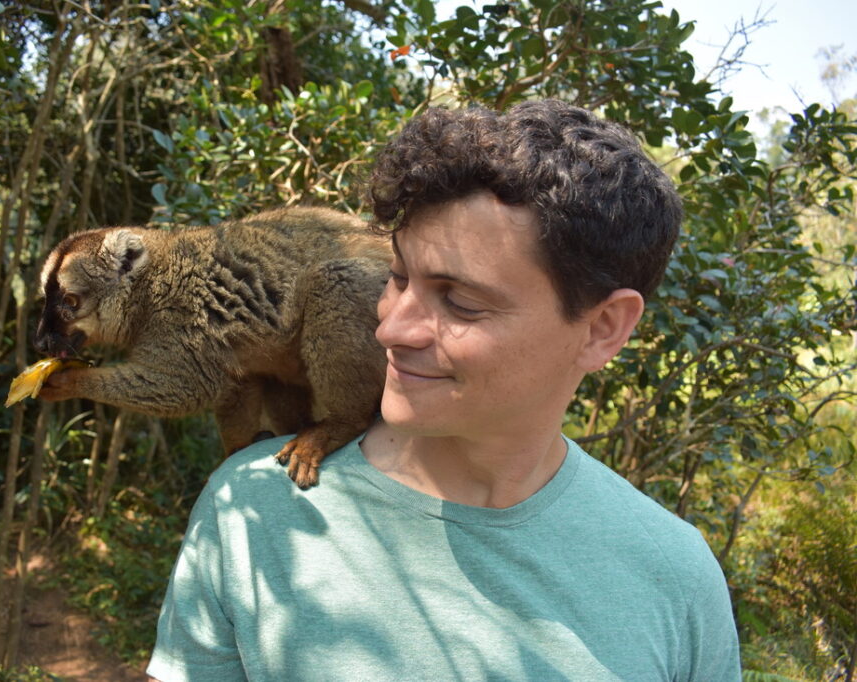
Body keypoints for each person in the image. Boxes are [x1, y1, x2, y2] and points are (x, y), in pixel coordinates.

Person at [147, 100, 742, 681]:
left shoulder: (675, 575)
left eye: (459, 302)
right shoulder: (250, 507)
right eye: (396, 278)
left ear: (603, 328)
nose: (390, 328)